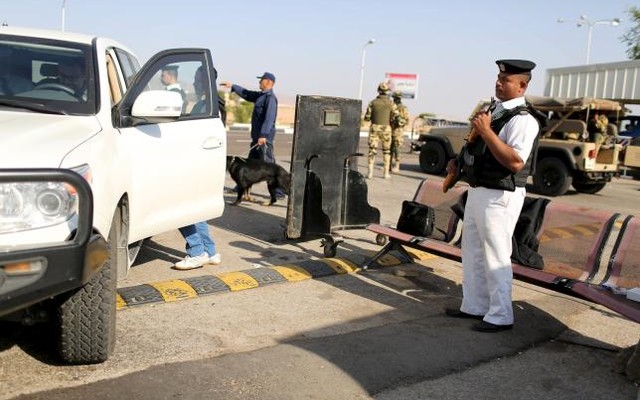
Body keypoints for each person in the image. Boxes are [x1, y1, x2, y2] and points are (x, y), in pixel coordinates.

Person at [444, 59, 542, 332]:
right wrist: (458, 163)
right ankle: (474, 306)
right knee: (472, 251)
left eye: (506, 79)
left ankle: (500, 315)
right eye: (498, 77)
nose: (498, 82)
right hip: (479, 191)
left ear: (522, 85)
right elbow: (476, 147)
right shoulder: (494, 112)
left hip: (501, 195)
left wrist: (486, 131)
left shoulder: (523, 120)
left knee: (496, 256)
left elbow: (514, 162)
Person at [174, 66, 223, 271]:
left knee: (178, 206)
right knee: (195, 210)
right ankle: (209, 251)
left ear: (207, 81)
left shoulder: (213, 105)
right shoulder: (206, 103)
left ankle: (196, 251)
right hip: (199, 163)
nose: (194, 82)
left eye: (197, 78)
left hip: (199, 164)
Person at [220, 72, 283, 197]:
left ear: (269, 82)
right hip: (257, 138)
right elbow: (247, 94)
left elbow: (269, 119)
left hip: (264, 139)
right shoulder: (261, 96)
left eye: (261, 80)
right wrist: (233, 86)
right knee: (249, 164)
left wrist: (263, 135)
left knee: (269, 167)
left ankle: (278, 191)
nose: (259, 82)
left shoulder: (270, 98)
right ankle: (241, 186)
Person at [363, 82, 399, 179]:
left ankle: (370, 173)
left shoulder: (373, 102)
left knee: (372, 150)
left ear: (378, 90)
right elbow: (396, 116)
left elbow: (367, 117)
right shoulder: (391, 103)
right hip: (386, 129)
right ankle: (386, 173)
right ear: (387, 91)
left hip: (374, 128)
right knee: (386, 151)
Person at [390, 90, 409, 173]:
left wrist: (399, 121)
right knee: (389, 148)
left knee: (397, 148)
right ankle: (389, 166)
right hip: (390, 129)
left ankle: (397, 166)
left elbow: (406, 120)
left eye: (396, 98)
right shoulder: (391, 106)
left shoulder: (403, 108)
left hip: (398, 130)